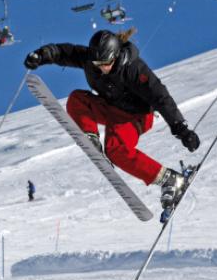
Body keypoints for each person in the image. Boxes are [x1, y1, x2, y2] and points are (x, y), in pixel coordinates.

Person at [24, 29, 200, 215]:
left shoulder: (134, 68)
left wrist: (181, 129)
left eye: (107, 63)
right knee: (76, 99)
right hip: (110, 109)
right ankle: (90, 136)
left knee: (116, 149)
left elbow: (160, 97)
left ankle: (170, 179)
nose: (102, 68)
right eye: (98, 63)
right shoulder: (90, 60)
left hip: (136, 116)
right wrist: (41, 55)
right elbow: (63, 52)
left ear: (116, 56)